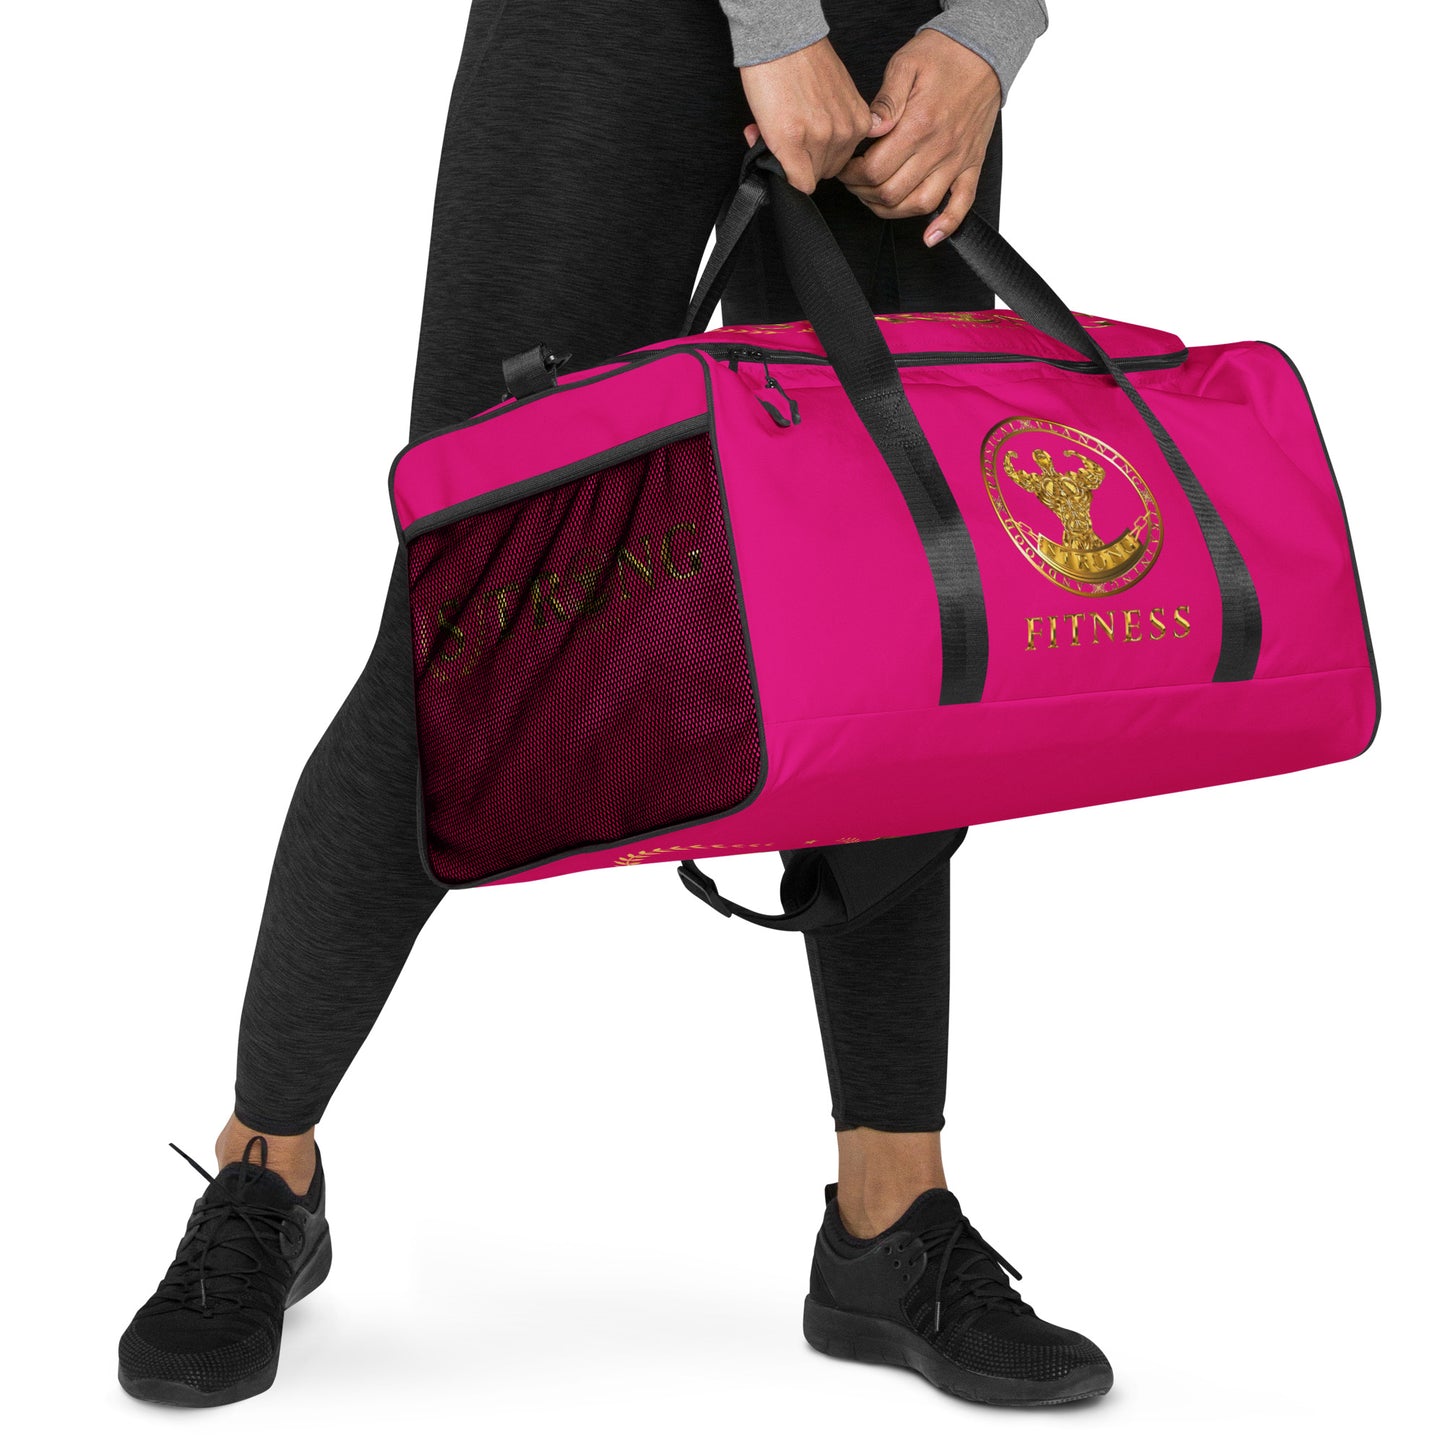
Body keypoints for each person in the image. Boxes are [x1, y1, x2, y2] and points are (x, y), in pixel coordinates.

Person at [118, 0, 1109, 1412]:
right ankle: (263, 1171)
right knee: (472, 612)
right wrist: (774, 23)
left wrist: (990, 31)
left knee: (894, 628)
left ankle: (890, 1219)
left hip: (912, 51)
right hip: (613, 30)